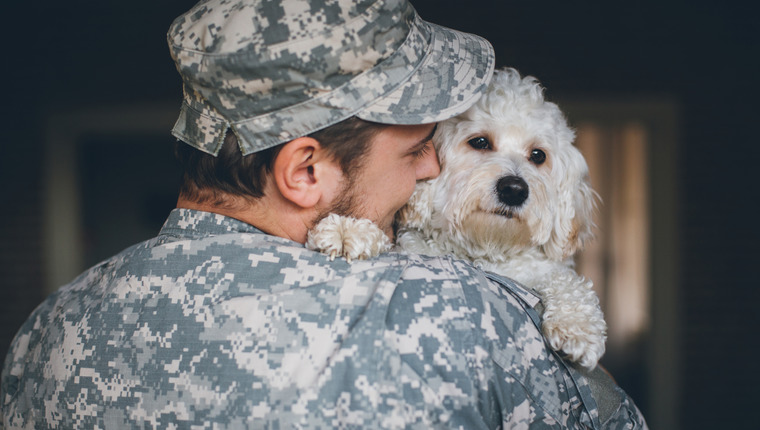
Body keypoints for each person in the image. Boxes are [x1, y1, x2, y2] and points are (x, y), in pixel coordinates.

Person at [1, 0, 648, 428]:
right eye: (418, 148)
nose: (431, 169)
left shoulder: (41, 335)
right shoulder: (474, 316)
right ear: (305, 173)